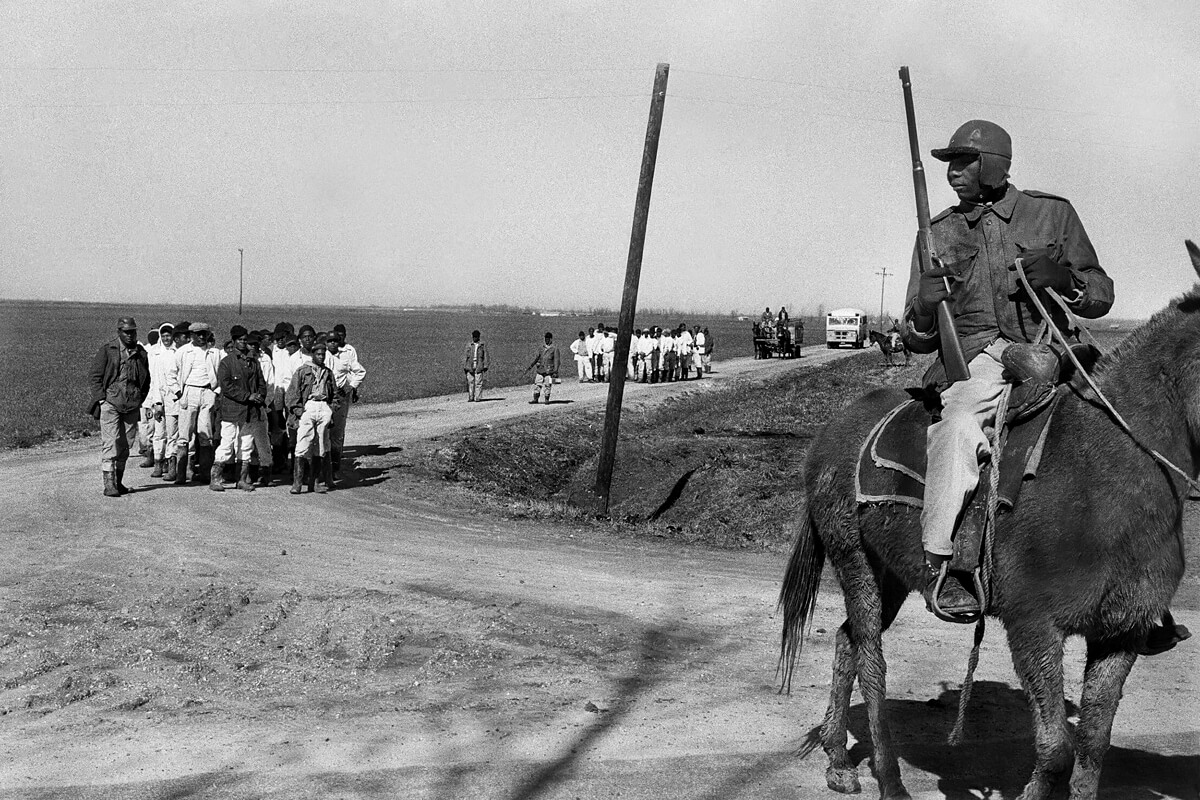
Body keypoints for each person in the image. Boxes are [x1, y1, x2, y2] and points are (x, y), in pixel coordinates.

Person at [901, 119, 1114, 620]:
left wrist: (1066, 278)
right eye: (949, 164)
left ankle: (1131, 576)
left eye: (964, 162)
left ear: (994, 164)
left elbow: (1102, 292)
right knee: (955, 428)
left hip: (1049, 346)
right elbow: (913, 335)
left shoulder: (1052, 214)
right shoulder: (937, 233)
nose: (953, 173)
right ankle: (945, 565)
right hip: (976, 355)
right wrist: (927, 309)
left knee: (1115, 426)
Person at [86, 317, 152, 497]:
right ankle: (109, 485)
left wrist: (140, 398)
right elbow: (95, 376)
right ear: (119, 332)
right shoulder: (108, 350)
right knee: (110, 443)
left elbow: (146, 379)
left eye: (133, 331)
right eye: (126, 332)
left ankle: (118, 482)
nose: (130, 335)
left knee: (125, 445)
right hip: (110, 404)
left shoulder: (141, 353)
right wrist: (101, 399)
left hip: (131, 404)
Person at [211, 325, 268, 492]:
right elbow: (226, 386)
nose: (243, 343)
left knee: (246, 445)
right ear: (234, 341)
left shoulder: (254, 362)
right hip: (231, 411)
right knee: (227, 443)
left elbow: (261, 383)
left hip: (251, 412)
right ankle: (215, 478)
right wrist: (247, 396)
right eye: (240, 340)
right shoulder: (226, 363)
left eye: (245, 340)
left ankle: (242, 479)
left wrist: (259, 397)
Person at [286, 340, 338, 494]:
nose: (321, 357)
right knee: (303, 442)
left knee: (321, 444)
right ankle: (297, 482)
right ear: (313, 355)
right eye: (318, 354)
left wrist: (331, 409)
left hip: (323, 406)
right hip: (308, 406)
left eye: (323, 354)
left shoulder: (328, 372)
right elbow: (292, 394)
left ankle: (315, 482)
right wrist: (298, 411)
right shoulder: (303, 371)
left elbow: (335, 394)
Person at [326, 329, 366, 475]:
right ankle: (322, 468)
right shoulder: (320, 355)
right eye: (330, 341)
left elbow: (360, 371)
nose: (332, 344)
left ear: (339, 342)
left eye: (335, 341)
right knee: (323, 432)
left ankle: (334, 468)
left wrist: (350, 386)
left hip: (340, 398)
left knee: (337, 433)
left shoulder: (346, 356)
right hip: (324, 398)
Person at [526, 332, 560, 404]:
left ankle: (546, 399)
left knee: (547, 385)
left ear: (551, 339)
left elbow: (557, 361)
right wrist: (531, 365)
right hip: (540, 370)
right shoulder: (541, 348)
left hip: (549, 371)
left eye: (548, 339)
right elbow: (537, 358)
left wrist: (555, 371)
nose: (546, 340)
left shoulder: (555, 349)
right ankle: (535, 399)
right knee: (537, 384)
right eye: (545, 339)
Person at [463, 330, 490, 401]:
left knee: (478, 382)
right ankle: (471, 397)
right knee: (470, 382)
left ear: (478, 337)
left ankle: (477, 397)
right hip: (469, 366)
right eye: (473, 337)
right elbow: (465, 356)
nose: (474, 338)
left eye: (476, 337)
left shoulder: (482, 345)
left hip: (479, 365)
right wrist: (464, 366)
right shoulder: (469, 345)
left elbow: (486, 356)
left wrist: (485, 365)